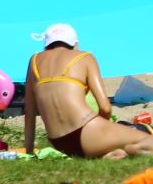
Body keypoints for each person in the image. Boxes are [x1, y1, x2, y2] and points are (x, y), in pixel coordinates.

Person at [25, 25, 153, 157]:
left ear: (46, 44)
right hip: (86, 130)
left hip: (58, 142)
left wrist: (29, 151)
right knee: (146, 139)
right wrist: (103, 129)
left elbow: (29, 112)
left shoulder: (34, 60)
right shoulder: (84, 57)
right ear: (75, 44)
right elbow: (105, 107)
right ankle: (108, 147)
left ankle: (107, 154)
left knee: (120, 147)